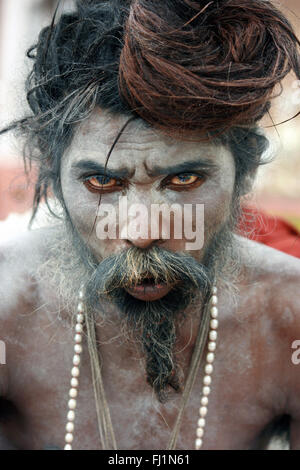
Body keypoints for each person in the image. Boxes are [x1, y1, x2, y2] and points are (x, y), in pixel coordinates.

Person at [0, 0, 300, 450]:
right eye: (102, 181)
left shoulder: (288, 317)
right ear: (53, 177)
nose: (141, 232)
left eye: (184, 178)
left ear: (245, 173)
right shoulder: (7, 308)